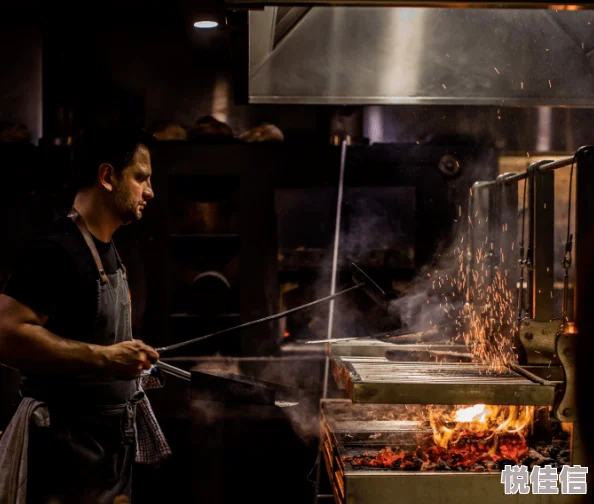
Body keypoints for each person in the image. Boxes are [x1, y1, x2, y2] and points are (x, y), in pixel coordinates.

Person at [0, 127, 171, 504]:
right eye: (141, 177)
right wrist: (106, 357)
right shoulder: (57, 249)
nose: (150, 191)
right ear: (108, 176)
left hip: (106, 453)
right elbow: (5, 333)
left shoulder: (112, 251)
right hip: (62, 456)